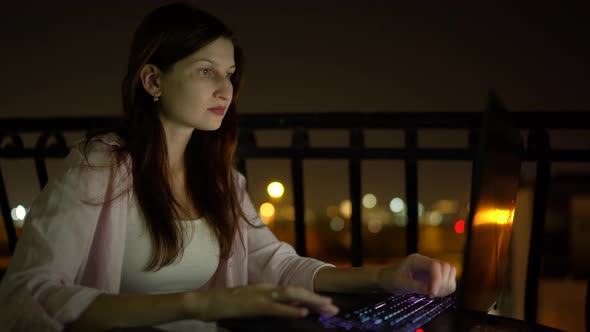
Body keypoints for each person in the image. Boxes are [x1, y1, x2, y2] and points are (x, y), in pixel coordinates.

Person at [0, 2, 456, 331]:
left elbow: (272, 262)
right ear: (153, 79)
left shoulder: (219, 177)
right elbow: (27, 294)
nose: (226, 89)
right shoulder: (101, 164)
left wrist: (383, 277)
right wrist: (205, 303)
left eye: (230, 73)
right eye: (206, 71)